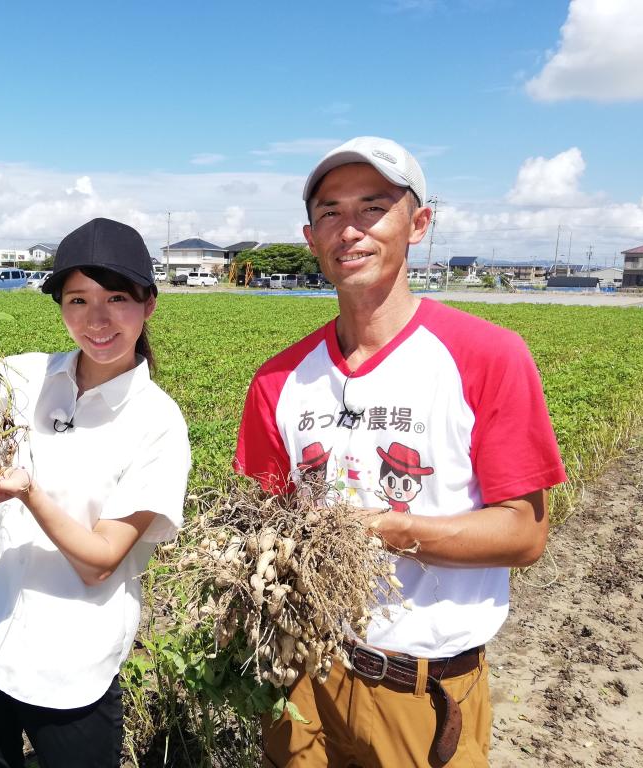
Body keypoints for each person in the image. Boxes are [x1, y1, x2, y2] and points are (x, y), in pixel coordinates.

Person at [235, 137, 567, 768]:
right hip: (302, 675)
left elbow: (524, 534)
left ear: (418, 224)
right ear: (310, 236)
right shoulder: (278, 380)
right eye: (330, 212)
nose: (349, 230)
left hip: (423, 687)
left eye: (373, 207)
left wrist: (392, 530)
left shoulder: (487, 358)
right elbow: (264, 519)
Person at [0, 217, 191, 768]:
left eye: (116, 297)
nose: (96, 319)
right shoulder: (20, 377)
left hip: (68, 674)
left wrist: (29, 493)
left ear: (149, 304)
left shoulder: (158, 424)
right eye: (77, 300)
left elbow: (101, 562)